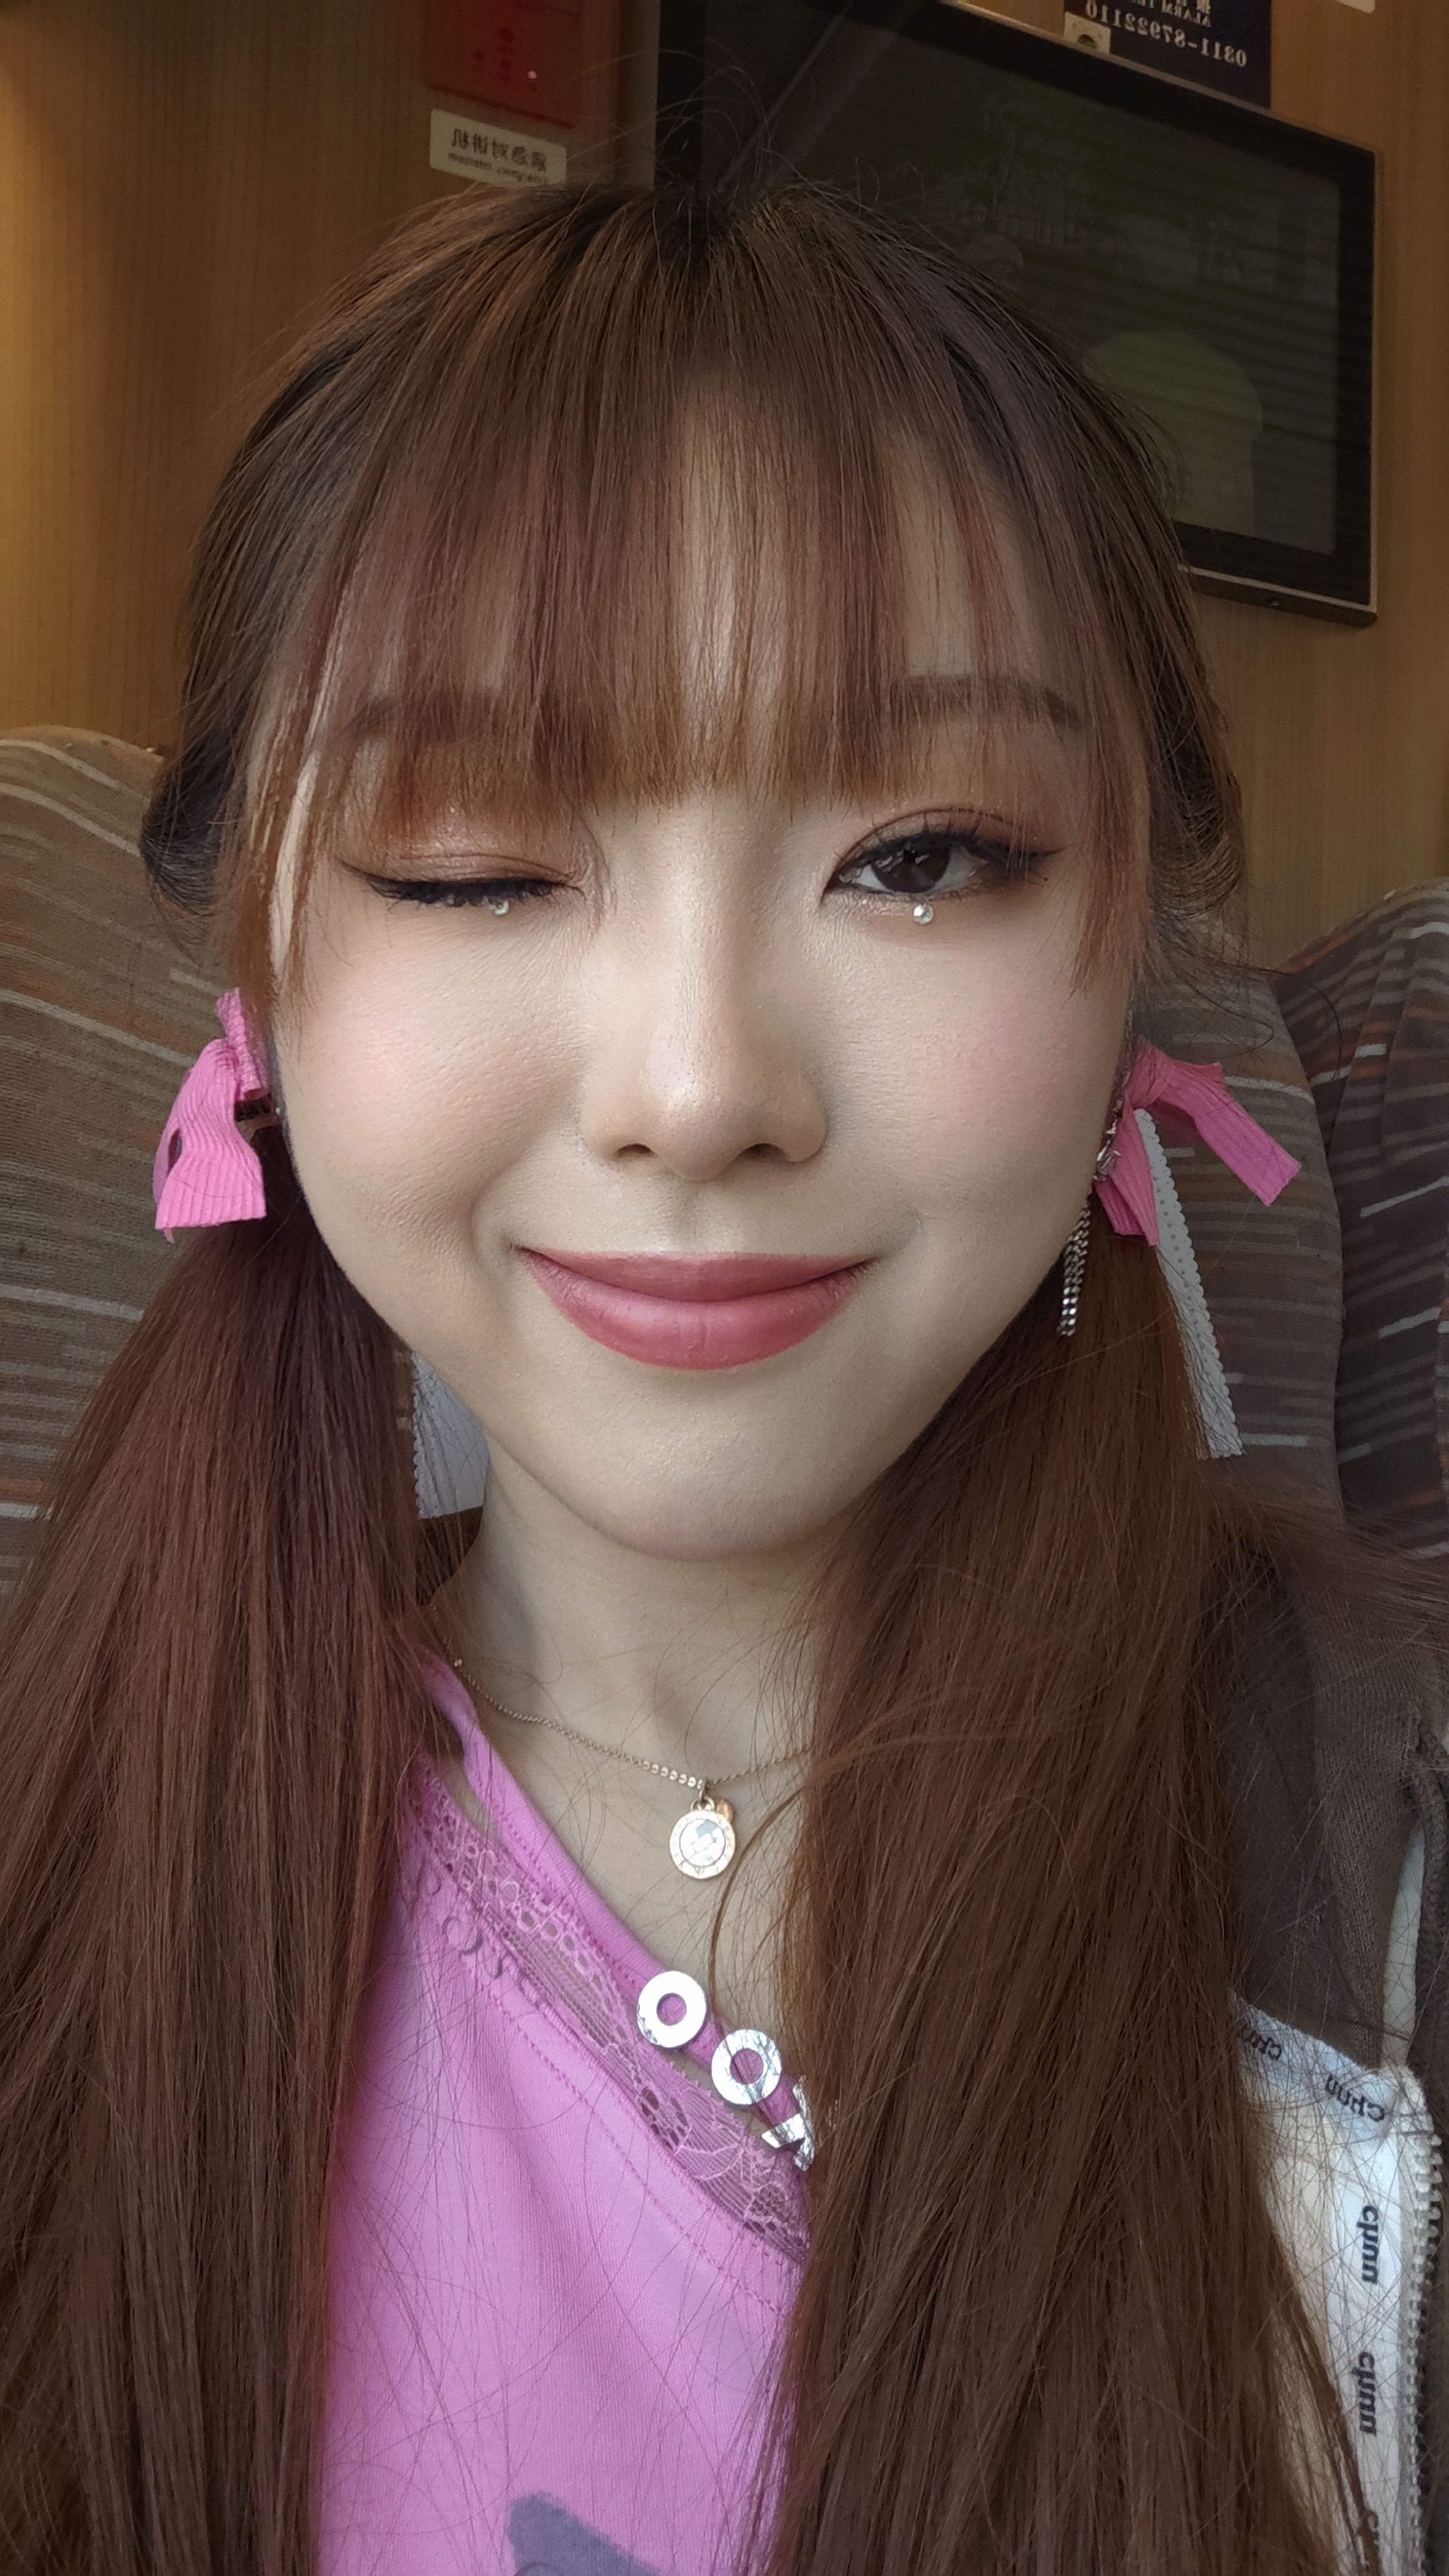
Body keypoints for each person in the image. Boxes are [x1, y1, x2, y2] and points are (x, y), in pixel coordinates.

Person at [0, 182, 1443, 2576]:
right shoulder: (73, 1869)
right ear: (257, 985)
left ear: (1129, 972)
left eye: (926, 856)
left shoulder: (1383, 1854)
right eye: (470, 861)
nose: (696, 1089)